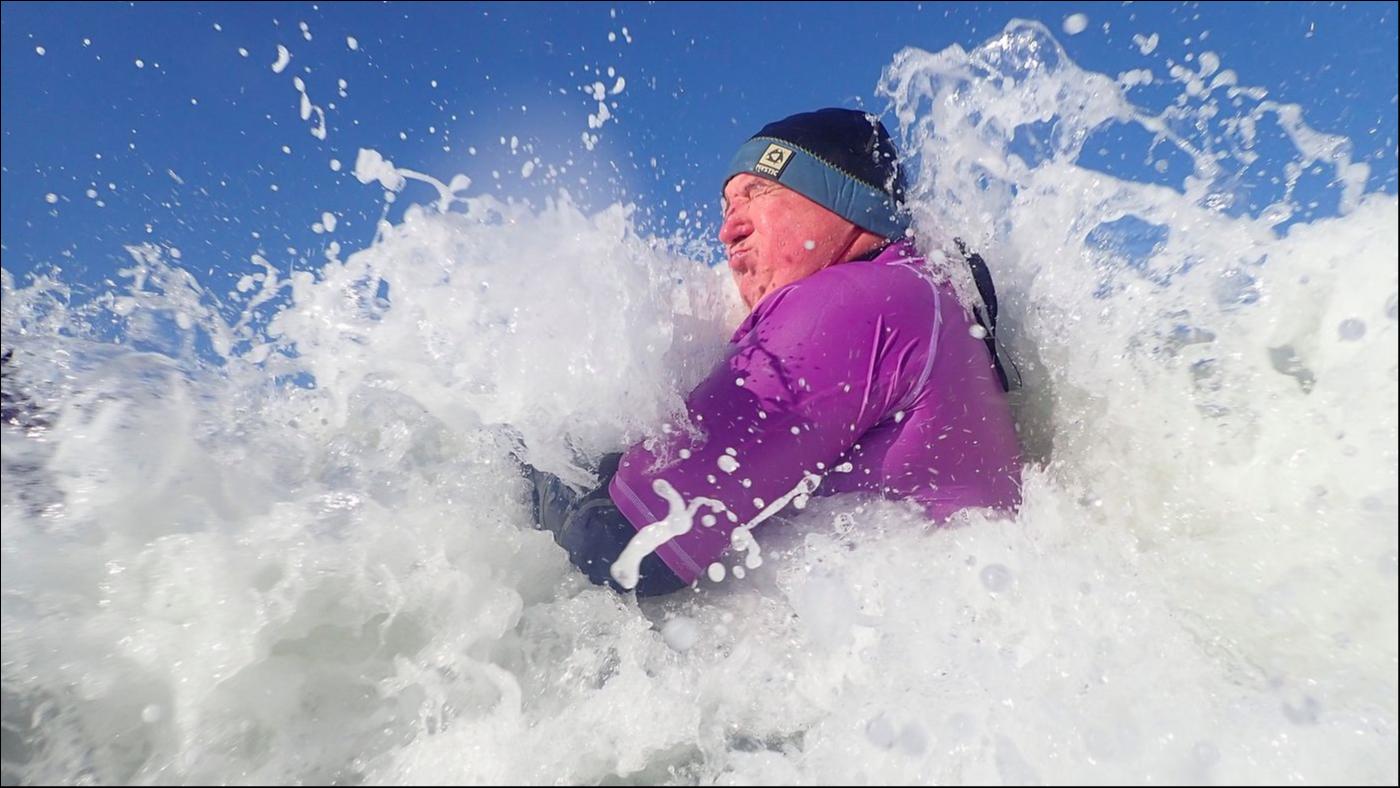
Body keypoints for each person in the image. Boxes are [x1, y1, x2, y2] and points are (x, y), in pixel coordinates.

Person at [528, 107, 1022, 596]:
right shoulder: (924, 297)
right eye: (725, 208)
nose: (727, 231)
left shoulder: (855, 301)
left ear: (845, 199)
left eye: (758, 191)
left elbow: (627, 546)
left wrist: (523, 460)